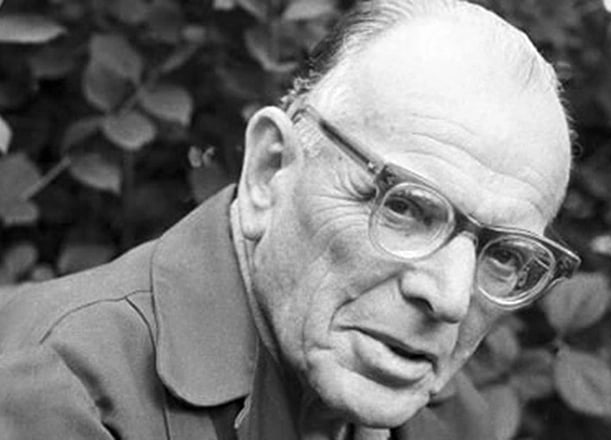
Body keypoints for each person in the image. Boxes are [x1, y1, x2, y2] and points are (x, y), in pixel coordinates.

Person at [0, 0, 580, 439]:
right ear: (269, 169)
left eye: (506, 255)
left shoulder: (455, 421)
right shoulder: (59, 385)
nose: (450, 298)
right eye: (404, 206)